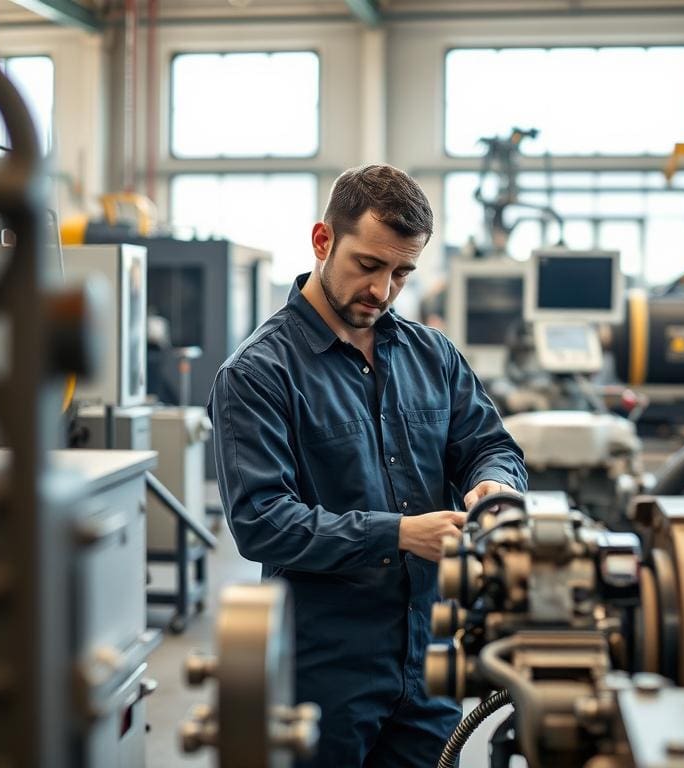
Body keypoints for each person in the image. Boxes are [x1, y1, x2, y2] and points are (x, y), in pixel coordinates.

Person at [208, 164, 527, 767]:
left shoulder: (433, 356)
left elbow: (492, 445)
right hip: (325, 671)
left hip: (430, 656)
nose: (382, 290)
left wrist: (492, 483)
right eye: (368, 265)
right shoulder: (257, 374)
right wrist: (401, 534)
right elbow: (262, 522)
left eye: (402, 273)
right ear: (323, 240)